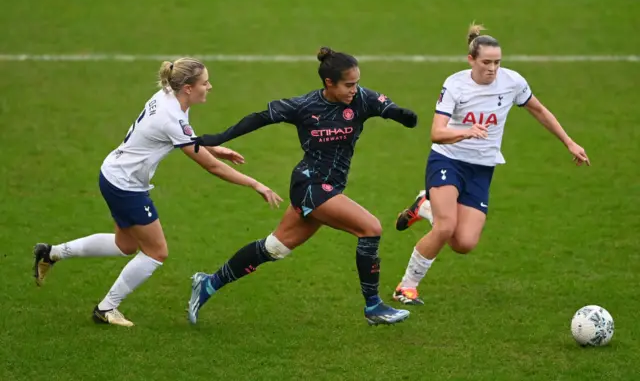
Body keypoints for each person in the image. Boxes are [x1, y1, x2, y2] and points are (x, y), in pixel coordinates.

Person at [33, 58, 283, 327]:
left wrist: (215, 147)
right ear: (187, 87)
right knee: (156, 252)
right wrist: (255, 183)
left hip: (114, 174)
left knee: (125, 245)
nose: (209, 86)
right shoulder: (172, 116)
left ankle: (51, 253)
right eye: (204, 83)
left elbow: (182, 137)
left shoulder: (167, 95)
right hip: (126, 187)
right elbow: (210, 166)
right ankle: (106, 308)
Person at [187, 47, 418, 325]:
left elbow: (386, 107)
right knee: (370, 228)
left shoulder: (361, 99)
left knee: (274, 248)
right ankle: (374, 307)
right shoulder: (305, 106)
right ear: (329, 83)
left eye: (356, 83)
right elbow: (260, 117)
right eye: (348, 85)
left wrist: (401, 115)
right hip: (310, 185)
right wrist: (219, 137)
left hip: (329, 187)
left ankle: (208, 283)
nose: (354, 90)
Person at [392, 24, 590, 306]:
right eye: (486, 62)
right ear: (471, 59)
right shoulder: (455, 84)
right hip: (447, 159)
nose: (493, 68)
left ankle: (424, 205)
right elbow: (437, 132)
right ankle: (406, 287)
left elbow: (539, 110)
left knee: (464, 244)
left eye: (497, 62)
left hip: (481, 169)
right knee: (446, 227)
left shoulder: (512, 82)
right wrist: (466, 131)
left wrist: (569, 142)